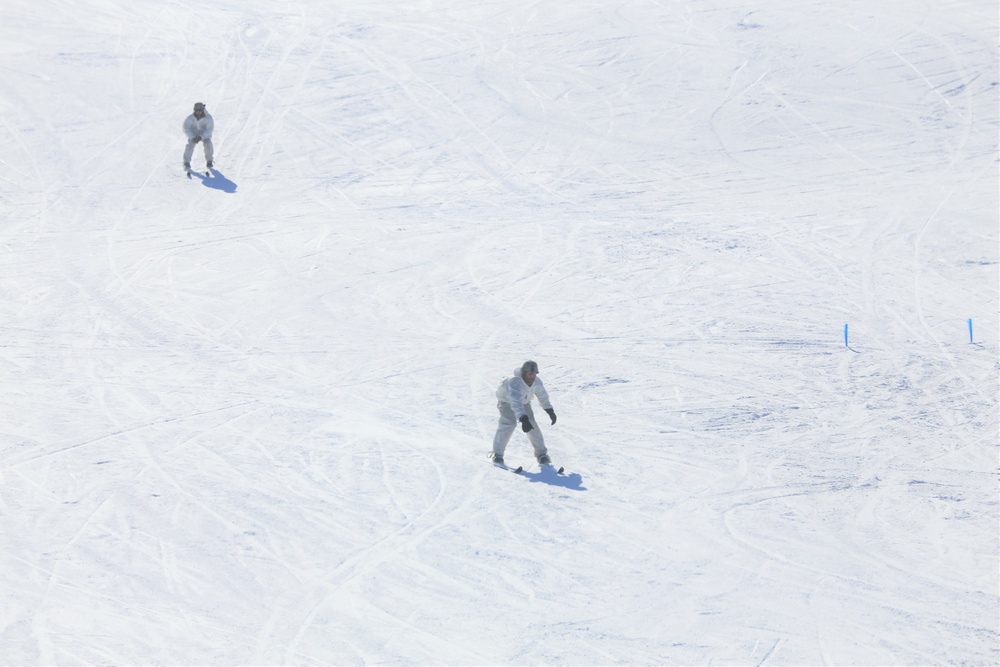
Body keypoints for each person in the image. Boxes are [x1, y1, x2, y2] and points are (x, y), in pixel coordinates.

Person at [491, 360, 557, 466]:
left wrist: (549, 410)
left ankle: (541, 454)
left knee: (532, 424)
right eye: (530, 374)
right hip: (506, 402)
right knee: (509, 423)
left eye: (534, 374)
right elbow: (515, 402)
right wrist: (522, 418)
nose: (532, 377)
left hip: (524, 403)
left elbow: (542, 395)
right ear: (524, 373)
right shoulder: (515, 381)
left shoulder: (536, 382)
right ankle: (497, 454)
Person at [182, 102, 214, 171]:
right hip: (194, 134)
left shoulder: (208, 118)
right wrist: (192, 137)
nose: (199, 112)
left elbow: (209, 129)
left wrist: (201, 137)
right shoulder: (190, 118)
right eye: (197, 111)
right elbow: (185, 127)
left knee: (208, 144)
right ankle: (186, 162)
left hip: (205, 135)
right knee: (190, 145)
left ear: (203, 110)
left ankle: (209, 161)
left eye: (200, 111)